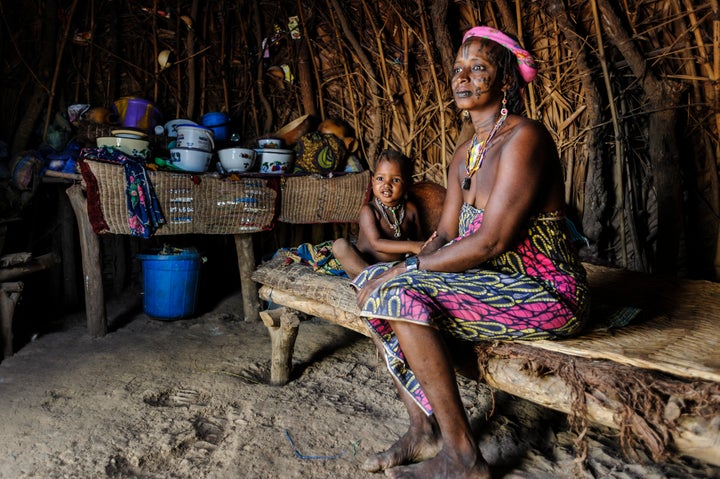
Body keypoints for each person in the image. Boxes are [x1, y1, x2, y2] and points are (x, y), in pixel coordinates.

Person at [352, 26, 590, 478]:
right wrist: (404, 265)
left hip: (543, 292)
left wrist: (408, 269)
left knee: (397, 293)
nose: (463, 78)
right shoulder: (465, 152)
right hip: (490, 280)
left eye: (478, 68)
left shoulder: (526, 139)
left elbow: (492, 241)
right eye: (458, 70)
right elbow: (443, 234)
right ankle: (423, 430)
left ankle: (463, 458)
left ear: (504, 81)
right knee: (370, 282)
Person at [333, 149, 426, 278]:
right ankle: (372, 279)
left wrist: (423, 247)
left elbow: (420, 241)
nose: (386, 185)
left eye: (395, 180)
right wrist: (412, 246)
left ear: (407, 184)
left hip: (393, 269)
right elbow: (376, 243)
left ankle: (384, 280)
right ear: (372, 181)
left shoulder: (410, 210)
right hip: (363, 266)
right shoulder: (370, 210)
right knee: (340, 246)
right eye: (380, 178)